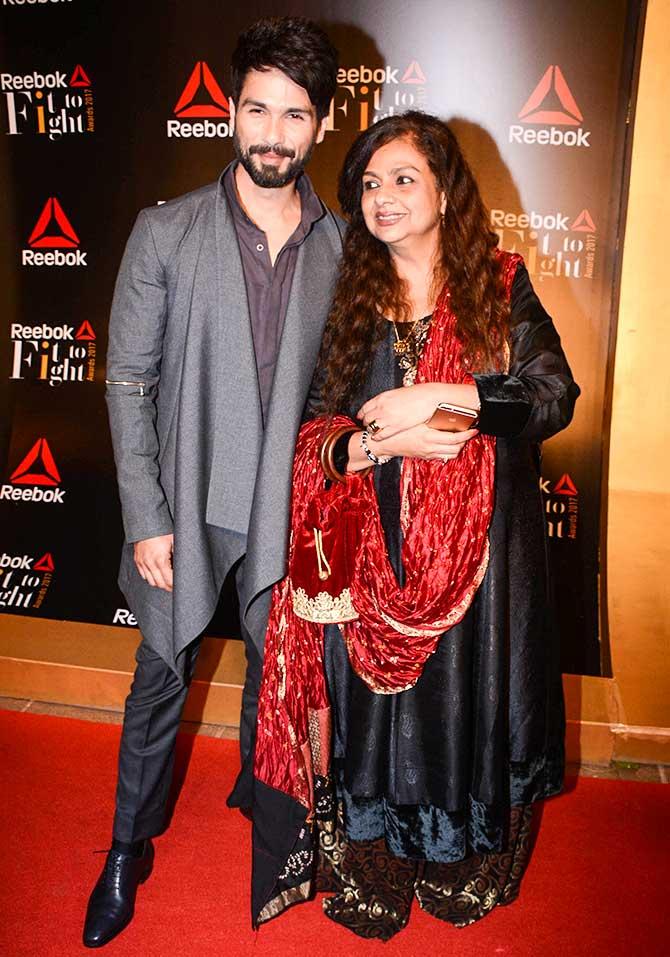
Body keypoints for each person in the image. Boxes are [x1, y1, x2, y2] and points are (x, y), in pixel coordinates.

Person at [250, 111, 580, 939]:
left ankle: (464, 863)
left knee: (466, 701)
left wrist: (443, 399)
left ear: (444, 191)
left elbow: (550, 396)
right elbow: (316, 427)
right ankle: (375, 865)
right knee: (376, 714)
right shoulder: (353, 303)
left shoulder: (501, 288)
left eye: (403, 178)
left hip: (481, 564)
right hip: (375, 554)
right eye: (369, 183)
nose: (383, 197)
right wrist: (360, 446)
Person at [83, 17, 341, 949]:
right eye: (258, 110)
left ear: (321, 125)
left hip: (285, 510)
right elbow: (127, 381)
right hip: (187, 504)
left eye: (296, 116)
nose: (274, 134)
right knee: (159, 680)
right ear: (232, 110)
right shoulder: (166, 231)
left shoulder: (339, 244)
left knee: (281, 683)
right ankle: (124, 847)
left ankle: (272, 822)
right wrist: (147, 517)